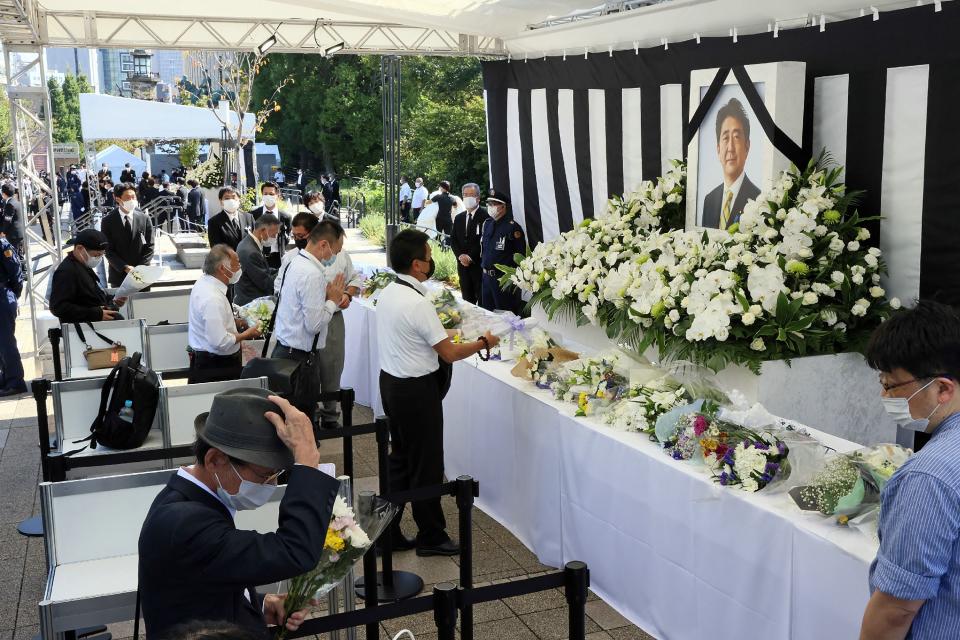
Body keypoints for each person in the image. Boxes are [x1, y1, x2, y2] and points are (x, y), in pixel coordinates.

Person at [138, 388, 340, 638]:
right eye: (264, 475)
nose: (270, 485)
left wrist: (263, 604)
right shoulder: (186, 523)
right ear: (215, 460)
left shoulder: (191, 501)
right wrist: (308, 462)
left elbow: (204, 585)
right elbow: (295, 550)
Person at [377, 229, 500, 555]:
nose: (432, 262)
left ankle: (385, 530)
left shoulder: (391, 292)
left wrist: (455, 331)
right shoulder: (416, 303)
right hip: (416, 392)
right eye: (429, 257)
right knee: (427, 464)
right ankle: (431, 535)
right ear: (417, 264)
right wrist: (483, 343)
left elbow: (424, 334)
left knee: (401, 459)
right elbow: (448, 354)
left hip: (392, 384)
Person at [859, 300, 960, 640]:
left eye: (892, 386)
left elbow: (896, 607)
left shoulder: (929, 475)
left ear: (942, 388)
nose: (883, 394)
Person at [271, 220, 346, 424]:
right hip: (300, 361)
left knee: (290, 421)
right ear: (323, 245)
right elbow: (313, 325)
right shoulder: (312, 274)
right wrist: (332, 301)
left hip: (285, 351)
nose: (335, 257)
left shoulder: (295, 262)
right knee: (302, 425)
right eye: (335, 251)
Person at [187, 245, 261, 384]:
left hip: (209, 362)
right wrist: (247, 334)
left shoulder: (205, 282)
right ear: (222, 268)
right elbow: (219, 342)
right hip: (216, 367)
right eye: (236, 263)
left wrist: (235, 322)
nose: (239, 267)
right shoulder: (212, 298)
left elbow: (212, 320)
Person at [701, 97, 762, 230]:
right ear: (718, 148)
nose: (730, 147)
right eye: (725, 138)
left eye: (736, 137)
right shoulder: (709, 201)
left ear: (747, 146)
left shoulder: (759, 200)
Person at [50, 229, 126, 323]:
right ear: (79, 249)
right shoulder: (67, 272)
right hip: (84, 332)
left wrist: (113, 299)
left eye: (101, 255)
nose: (98, 259)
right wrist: (95, 314)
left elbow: (89, 296)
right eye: (96, 255)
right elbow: (58, 307)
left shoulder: (83, 265)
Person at [479, 189, 526, 314]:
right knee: (488, 314)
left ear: (503, 206)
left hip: (503, 281)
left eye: (494, 204)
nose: (490, 207)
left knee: (506, 316)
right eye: (489, 204)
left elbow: (520, 256)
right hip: (486, 278)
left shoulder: (513, 227)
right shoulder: (488, 224)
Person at [101, 182, 155, 288]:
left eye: (133, 197)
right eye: (127, 198)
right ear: (117, 199)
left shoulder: (144, 218)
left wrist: (140, 268)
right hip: (119, 275)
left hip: (142, 275)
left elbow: (150, 246)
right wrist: (125, 267)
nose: (131, 200)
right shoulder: (108, 221)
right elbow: (108, 250)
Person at [450, 183, 488, 305]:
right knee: (467, 301)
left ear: (478, 198)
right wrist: (460, 256)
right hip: (462, 267)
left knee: (482, 302)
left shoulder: (486, 217)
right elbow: (454, 240)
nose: (467, 198)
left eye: (471, 195)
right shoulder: (459, 218)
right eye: (465, 195)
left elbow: (484, 240)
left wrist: (470, 257)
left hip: (478, 266)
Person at [235, 214, 280, 306]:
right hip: (251, 304)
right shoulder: (251, 251)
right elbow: (266, 283)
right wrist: (283, 272)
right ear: (263, 230)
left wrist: (278, 270)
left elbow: (262, 268)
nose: (275, 238)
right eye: (274, 234)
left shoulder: (250, 242)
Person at [0, 236, 25, 397]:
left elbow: (15, 271)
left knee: (5, 341)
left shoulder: (2, 245)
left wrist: (12, 294)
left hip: (1, 296)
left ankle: (15, 381)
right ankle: (6, 377)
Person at [248, 182, 291, 269]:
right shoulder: (252, 215)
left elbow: (287, 237)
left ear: (278, 195)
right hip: (258, 257)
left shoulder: (286, 217)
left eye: (271, 194)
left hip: (278, 258)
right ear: (262, 195)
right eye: (265, 194)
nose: (268, 196)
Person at [207, 186, 254, 251]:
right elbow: (216, 248)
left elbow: (255, 240)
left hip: (248, 259)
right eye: (227, 198)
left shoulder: (248, 217)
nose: (231, 200)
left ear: (239, 199)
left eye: (233, 197)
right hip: (227, 260)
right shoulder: (214, 222)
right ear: (221, 201)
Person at [0, 183, 23, 254]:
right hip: (19, 233)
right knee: (19, 254)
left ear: (3, 194)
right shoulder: (16, 202)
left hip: (13, 235)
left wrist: (3, 232)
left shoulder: (9, 204)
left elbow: (7, 220)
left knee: (14, 256)